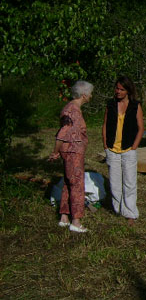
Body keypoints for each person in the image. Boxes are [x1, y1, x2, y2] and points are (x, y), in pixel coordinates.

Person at [48, 80, 93, 233]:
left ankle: (64, 217)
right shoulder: (72, 110)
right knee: (77, 185)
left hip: (72, 152)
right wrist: (55, 151)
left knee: (68, 182)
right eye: (90, 93)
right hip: (73, 152)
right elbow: (62, 133)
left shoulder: (71, 108)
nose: (91, 96)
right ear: (84, 95)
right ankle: (76, 221)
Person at [102, 76, 144, 226]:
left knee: (130, 182)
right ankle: (119, 209)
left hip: (128, 148)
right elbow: (105, 125)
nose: (118, 91)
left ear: (128, 91)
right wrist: (105, 146)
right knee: (114, 182)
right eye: (117, 88)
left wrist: (134, 146)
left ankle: (130, 213)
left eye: (122, 89)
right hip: (112, 148)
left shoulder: (135, 106)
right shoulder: (111, 104)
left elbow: (141, 128)